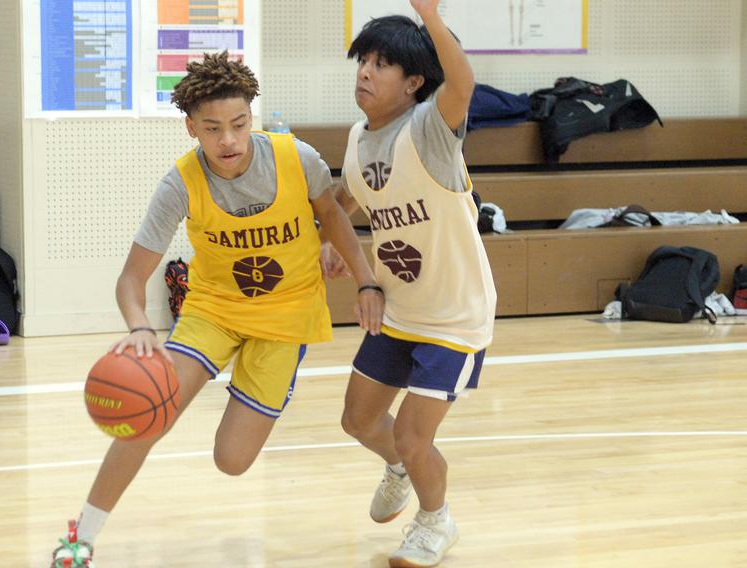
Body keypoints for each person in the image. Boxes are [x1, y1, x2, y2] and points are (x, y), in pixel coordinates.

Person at [50, 51, 383, 567]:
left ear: (251, 117)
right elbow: (131, 279)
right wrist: (140, 327)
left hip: (286, 316)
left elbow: (334, 218)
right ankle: (81, 538)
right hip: (214, 310)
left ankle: (394, 464)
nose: (227, 140)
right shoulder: (180, 182)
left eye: (238, 124)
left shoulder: (298, 158)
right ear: (190, 128)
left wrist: (365, 281)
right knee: (147, 414)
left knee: (231, 461)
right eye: (212, 128)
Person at [325, 2, 496, 566]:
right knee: (358, 420)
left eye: (381, 64)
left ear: (414, 82)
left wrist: (428, 14)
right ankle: (399, 467)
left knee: (414, 436)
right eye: (363, 61)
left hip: (454, 316)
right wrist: (333, 239)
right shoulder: (357, 137)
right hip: (398, 309)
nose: (365, 72)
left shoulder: (430, 127)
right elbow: (349, 197)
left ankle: (435, 522)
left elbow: (464, 81)